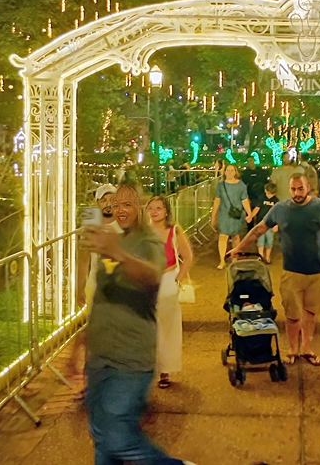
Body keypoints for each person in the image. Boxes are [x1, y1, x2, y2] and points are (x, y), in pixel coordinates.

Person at [80, 184, 192, 465]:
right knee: (101, 436)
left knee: (117, 437)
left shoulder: (148, 241)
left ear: (139, 208)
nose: (120, 210)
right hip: (100, 356)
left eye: (127, 204)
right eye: (116, 205)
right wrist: (78, 347)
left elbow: (151, 277)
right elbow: (102, 298)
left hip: (129, 358)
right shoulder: (112, 238)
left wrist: (116, 252)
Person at [230, 174, 320, 366]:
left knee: (311, 313)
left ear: (308, 187)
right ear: (289, 189)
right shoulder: (280, 209)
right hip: (291, 271)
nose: (297, 193)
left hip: (318, 271)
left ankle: (306, 349)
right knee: (292, 315)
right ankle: (292, 350)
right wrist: (239, 248)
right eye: (293, 189)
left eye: (300, 188)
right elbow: (258, 230)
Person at [71, 184, 118, 398]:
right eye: (103, 200)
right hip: (96, 287)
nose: (108, 203)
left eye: (111, 199)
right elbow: (83, 260)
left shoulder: (126, 223)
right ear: (97, 203)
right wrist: (79, 288)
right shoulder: (90, 224)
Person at [146, 196, 194, 389]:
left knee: (167, 327)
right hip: (148, 281)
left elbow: (187, 257)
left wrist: (178, 279)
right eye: (151, 208)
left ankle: (165, 369)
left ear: (166, 211)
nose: (154, 211)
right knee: (148, 327)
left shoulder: (174, 230)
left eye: (158, 208)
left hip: (168, 279)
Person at [211, 164, 253, 270]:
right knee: (222, 236)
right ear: (224, 172)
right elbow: (217, 200)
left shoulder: (241, 185)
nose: (229, 173)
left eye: (232, 170)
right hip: (224, 214)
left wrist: (249, 213)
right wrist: (213, 215)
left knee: (235, 236)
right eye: (228, 170)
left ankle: (234, 259)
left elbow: (244, 200)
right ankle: (222, 260)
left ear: (235, 172)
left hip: (236, 214)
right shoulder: (221, 185)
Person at [247, 182, 278, 264]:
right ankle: (260, 256)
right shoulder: (261, 198)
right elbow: (257, 209)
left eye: (271, 194)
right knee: (260, 240)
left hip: (270, 225)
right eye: (268, 193)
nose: (269, 195)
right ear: (265, 191)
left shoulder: (276, 201)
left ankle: (267, 257)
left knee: (269, 241)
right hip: (260, 223)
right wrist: (251, 216)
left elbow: (277, 214)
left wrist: (276, 224)